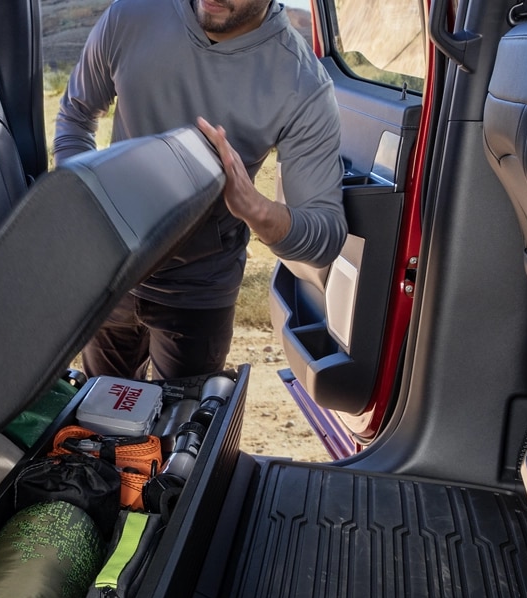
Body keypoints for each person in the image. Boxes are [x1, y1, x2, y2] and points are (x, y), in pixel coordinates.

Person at [56, 0, 347, 379]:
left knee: (183, 417)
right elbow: (76, 115)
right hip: (112, 272)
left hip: (199, 290)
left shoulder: (302, 82)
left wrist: (256, 209)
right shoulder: (132, 13)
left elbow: (325, 236)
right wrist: (84, 206)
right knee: (102, 409)